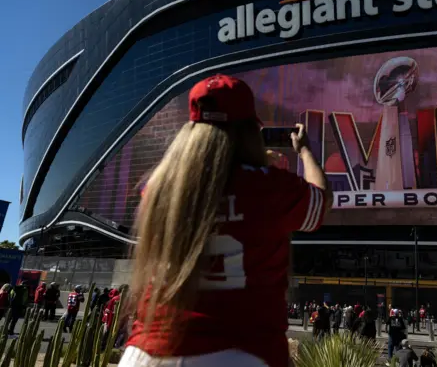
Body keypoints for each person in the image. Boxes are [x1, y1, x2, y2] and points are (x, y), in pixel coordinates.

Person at [120, 75, 332, 367]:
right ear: (249, 130)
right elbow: (320, 202)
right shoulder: (271, 186)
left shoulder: (156, 187)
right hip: (239, 352)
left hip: (148, 352)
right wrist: (305, 150)